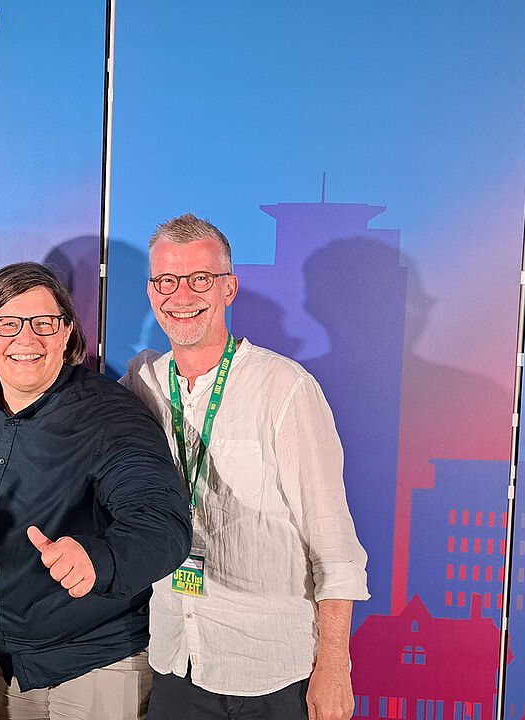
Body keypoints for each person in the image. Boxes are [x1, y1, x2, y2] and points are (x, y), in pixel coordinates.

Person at [121, 214, 370, 720]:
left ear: (228, 288)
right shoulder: (142, 381)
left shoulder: (285, 388)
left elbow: (334, 541)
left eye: (201, 279)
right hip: (177, 658)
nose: (182, 295)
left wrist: (335, 665)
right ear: (151, 292)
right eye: (167, 280)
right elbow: (66, 396)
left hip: (270, 669)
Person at [0, 262, 192, 720]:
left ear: (66, 333)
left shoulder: (111, 416)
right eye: (6, 323)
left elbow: (162, 523)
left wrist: (99, 559)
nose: (26, 340)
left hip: (93, 661)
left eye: (44, 323)